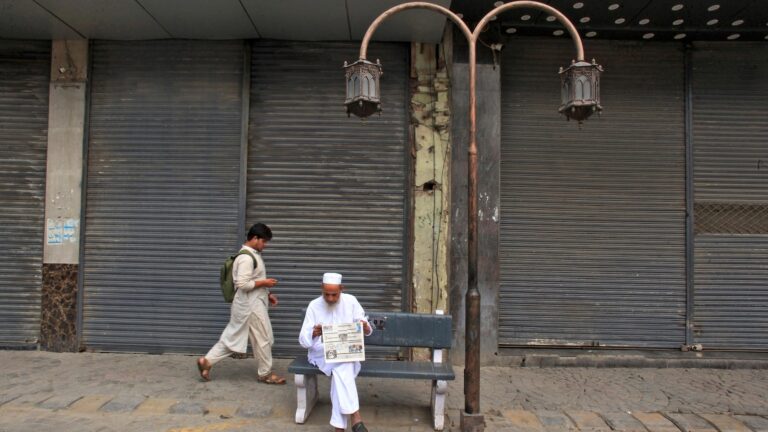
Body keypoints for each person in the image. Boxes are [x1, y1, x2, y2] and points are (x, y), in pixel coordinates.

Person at [196, 223, 285, 384]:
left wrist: (268, 293)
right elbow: (242, 284)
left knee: (233, 337)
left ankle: (206, 361)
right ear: (255, 238)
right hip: (251, 306)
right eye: (263, 241)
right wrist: (265, 283)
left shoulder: (251, 255)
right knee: (264, 338)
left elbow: (251, 281)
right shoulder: (246, 258)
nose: (265, 245)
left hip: (247, 304)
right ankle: (265, 373)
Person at [299, 273, 372, 432]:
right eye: (327, 294)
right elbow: (303, 340)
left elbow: (363, 325)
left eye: (334, 294)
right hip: (321, 352)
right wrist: (313, 333)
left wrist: (365, 326)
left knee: (342, 366)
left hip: (347, 351)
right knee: (344, 365)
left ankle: (339, 428)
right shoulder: (313, 305)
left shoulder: (351, 301)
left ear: (342, 289)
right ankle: (355, 416)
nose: (330, 298)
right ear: (321, 290)